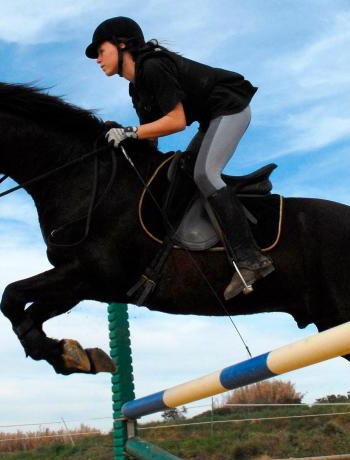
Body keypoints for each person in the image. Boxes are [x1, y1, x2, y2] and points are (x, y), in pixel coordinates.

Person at [86, 16, 274, 300]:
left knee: (205, 174)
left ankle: (250, 260)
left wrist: (129, 132)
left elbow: (176, 121)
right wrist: (123, 144)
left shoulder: (152, 66)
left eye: (101, 51)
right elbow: (151, 136)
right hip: (212, 118)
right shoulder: (136, 86)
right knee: (187, 170)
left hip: (231, 107)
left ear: (122, 44)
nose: (98, 59)